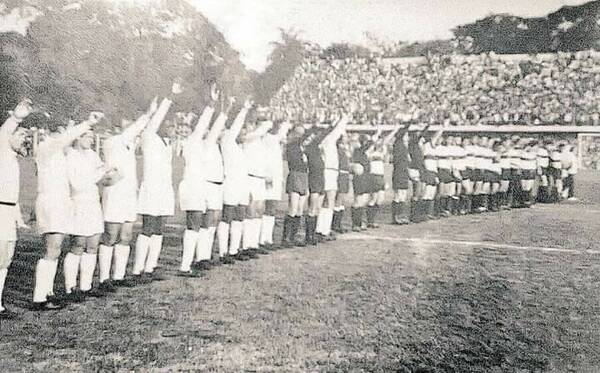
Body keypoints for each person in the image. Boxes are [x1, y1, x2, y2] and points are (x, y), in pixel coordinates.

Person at [32, 112, 102, 311]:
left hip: (60, 202)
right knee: (52, 250)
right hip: (51, 202)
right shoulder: (48, 146)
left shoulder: (58, 151)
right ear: (61, 130)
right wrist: (87, 122)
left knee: (55, 249)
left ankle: (47, 293)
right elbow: (65, 139)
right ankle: (40, 297)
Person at [98, 100, 157, 289]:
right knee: (111, 235)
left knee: (126, 235)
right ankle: (103, 278)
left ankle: (119, 276)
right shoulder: (112, 142)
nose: (130, 125)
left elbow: (138, 135)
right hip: (115, 194)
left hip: (129, 195)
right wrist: (149, 112)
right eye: (126, 121)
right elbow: (134, 132)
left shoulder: (129, 143)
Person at [133, 85, 180, 281]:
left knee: (159, 229)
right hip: (151, 189)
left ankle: (151, 267)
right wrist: (169, 97)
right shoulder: (149, 138)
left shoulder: (167, 144)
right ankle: (137, 270)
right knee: (148, 229)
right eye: (170, 126)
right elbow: (155, 120)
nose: (173, 129)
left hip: (163, 190)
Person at [63, 129, 116, 300]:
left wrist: (110, 172)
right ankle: (70, 288)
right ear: (78, 137)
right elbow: (78, 184)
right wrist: (101, 172)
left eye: (93, 138)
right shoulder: (71, 156)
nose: (92, 141)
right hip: (78, 203)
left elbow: (100, 174)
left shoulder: (92, 155)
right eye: (88, 137)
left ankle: (86, 287)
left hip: (93, 203)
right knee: (78, 245)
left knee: (93, 244)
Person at [178, 88, 218, 276]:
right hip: (191, 187)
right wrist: (210, 107)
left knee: (201, 224)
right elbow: (202, 127)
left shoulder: (201, 144)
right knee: (193, 225)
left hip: (200, 187)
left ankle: (200, 259)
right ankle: (185, 266)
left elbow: (213, 131)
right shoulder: (190, 142)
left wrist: (223, 111)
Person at [0, 99, 33, 318]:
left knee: (6, 258)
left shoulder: (13, 160)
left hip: (8, 211)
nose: (25, 139)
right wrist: (16, 118)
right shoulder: (1, 151)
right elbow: (4, 133)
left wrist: (19, 218)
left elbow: (13, 195)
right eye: (20, 135)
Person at [220, 99, 255, 260]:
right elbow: (233, 129)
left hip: (242, 185)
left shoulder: (241, 147)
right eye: (240, 131)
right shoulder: (227, 141)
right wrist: (244, 109)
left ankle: (234, 250)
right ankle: (222, 252)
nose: (243, 134)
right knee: (227, 216)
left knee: (240, 216)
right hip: (231, 184)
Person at [316, 114, 349, 241]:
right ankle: (322, 230)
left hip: (330, 171)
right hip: (329, 171)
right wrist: (345, 118)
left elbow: (336, 130)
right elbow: (338, 130)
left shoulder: (327, 142)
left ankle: (322, 229)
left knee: (327, 201)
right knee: (328, 201)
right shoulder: (328, 141)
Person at [260, 120, 292, 249]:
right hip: (268, 178)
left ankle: (268, 238)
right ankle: (262, 239)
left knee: (272, 208)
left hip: (276, 179)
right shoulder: (268, 139)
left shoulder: (277, 142)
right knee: (265, 208)